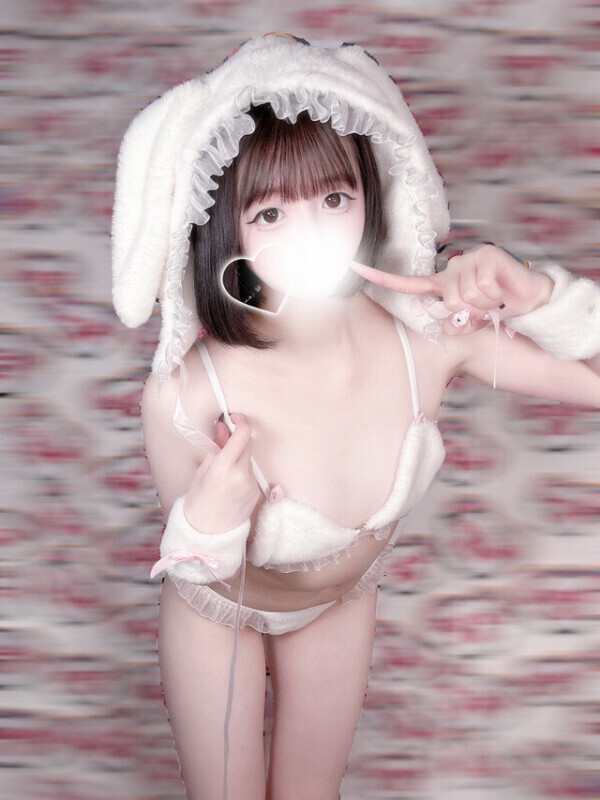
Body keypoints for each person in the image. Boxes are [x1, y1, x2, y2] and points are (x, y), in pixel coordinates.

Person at [111, 33, 600, 800]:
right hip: (218, 617)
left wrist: (541, 297)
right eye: (271, 212)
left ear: (372, 194)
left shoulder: (428, 341)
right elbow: (192, 561)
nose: (310, 232)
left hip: (338, 604)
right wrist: (207, 519)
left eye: (334, 199)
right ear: (225, 228)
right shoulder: (186, 393)